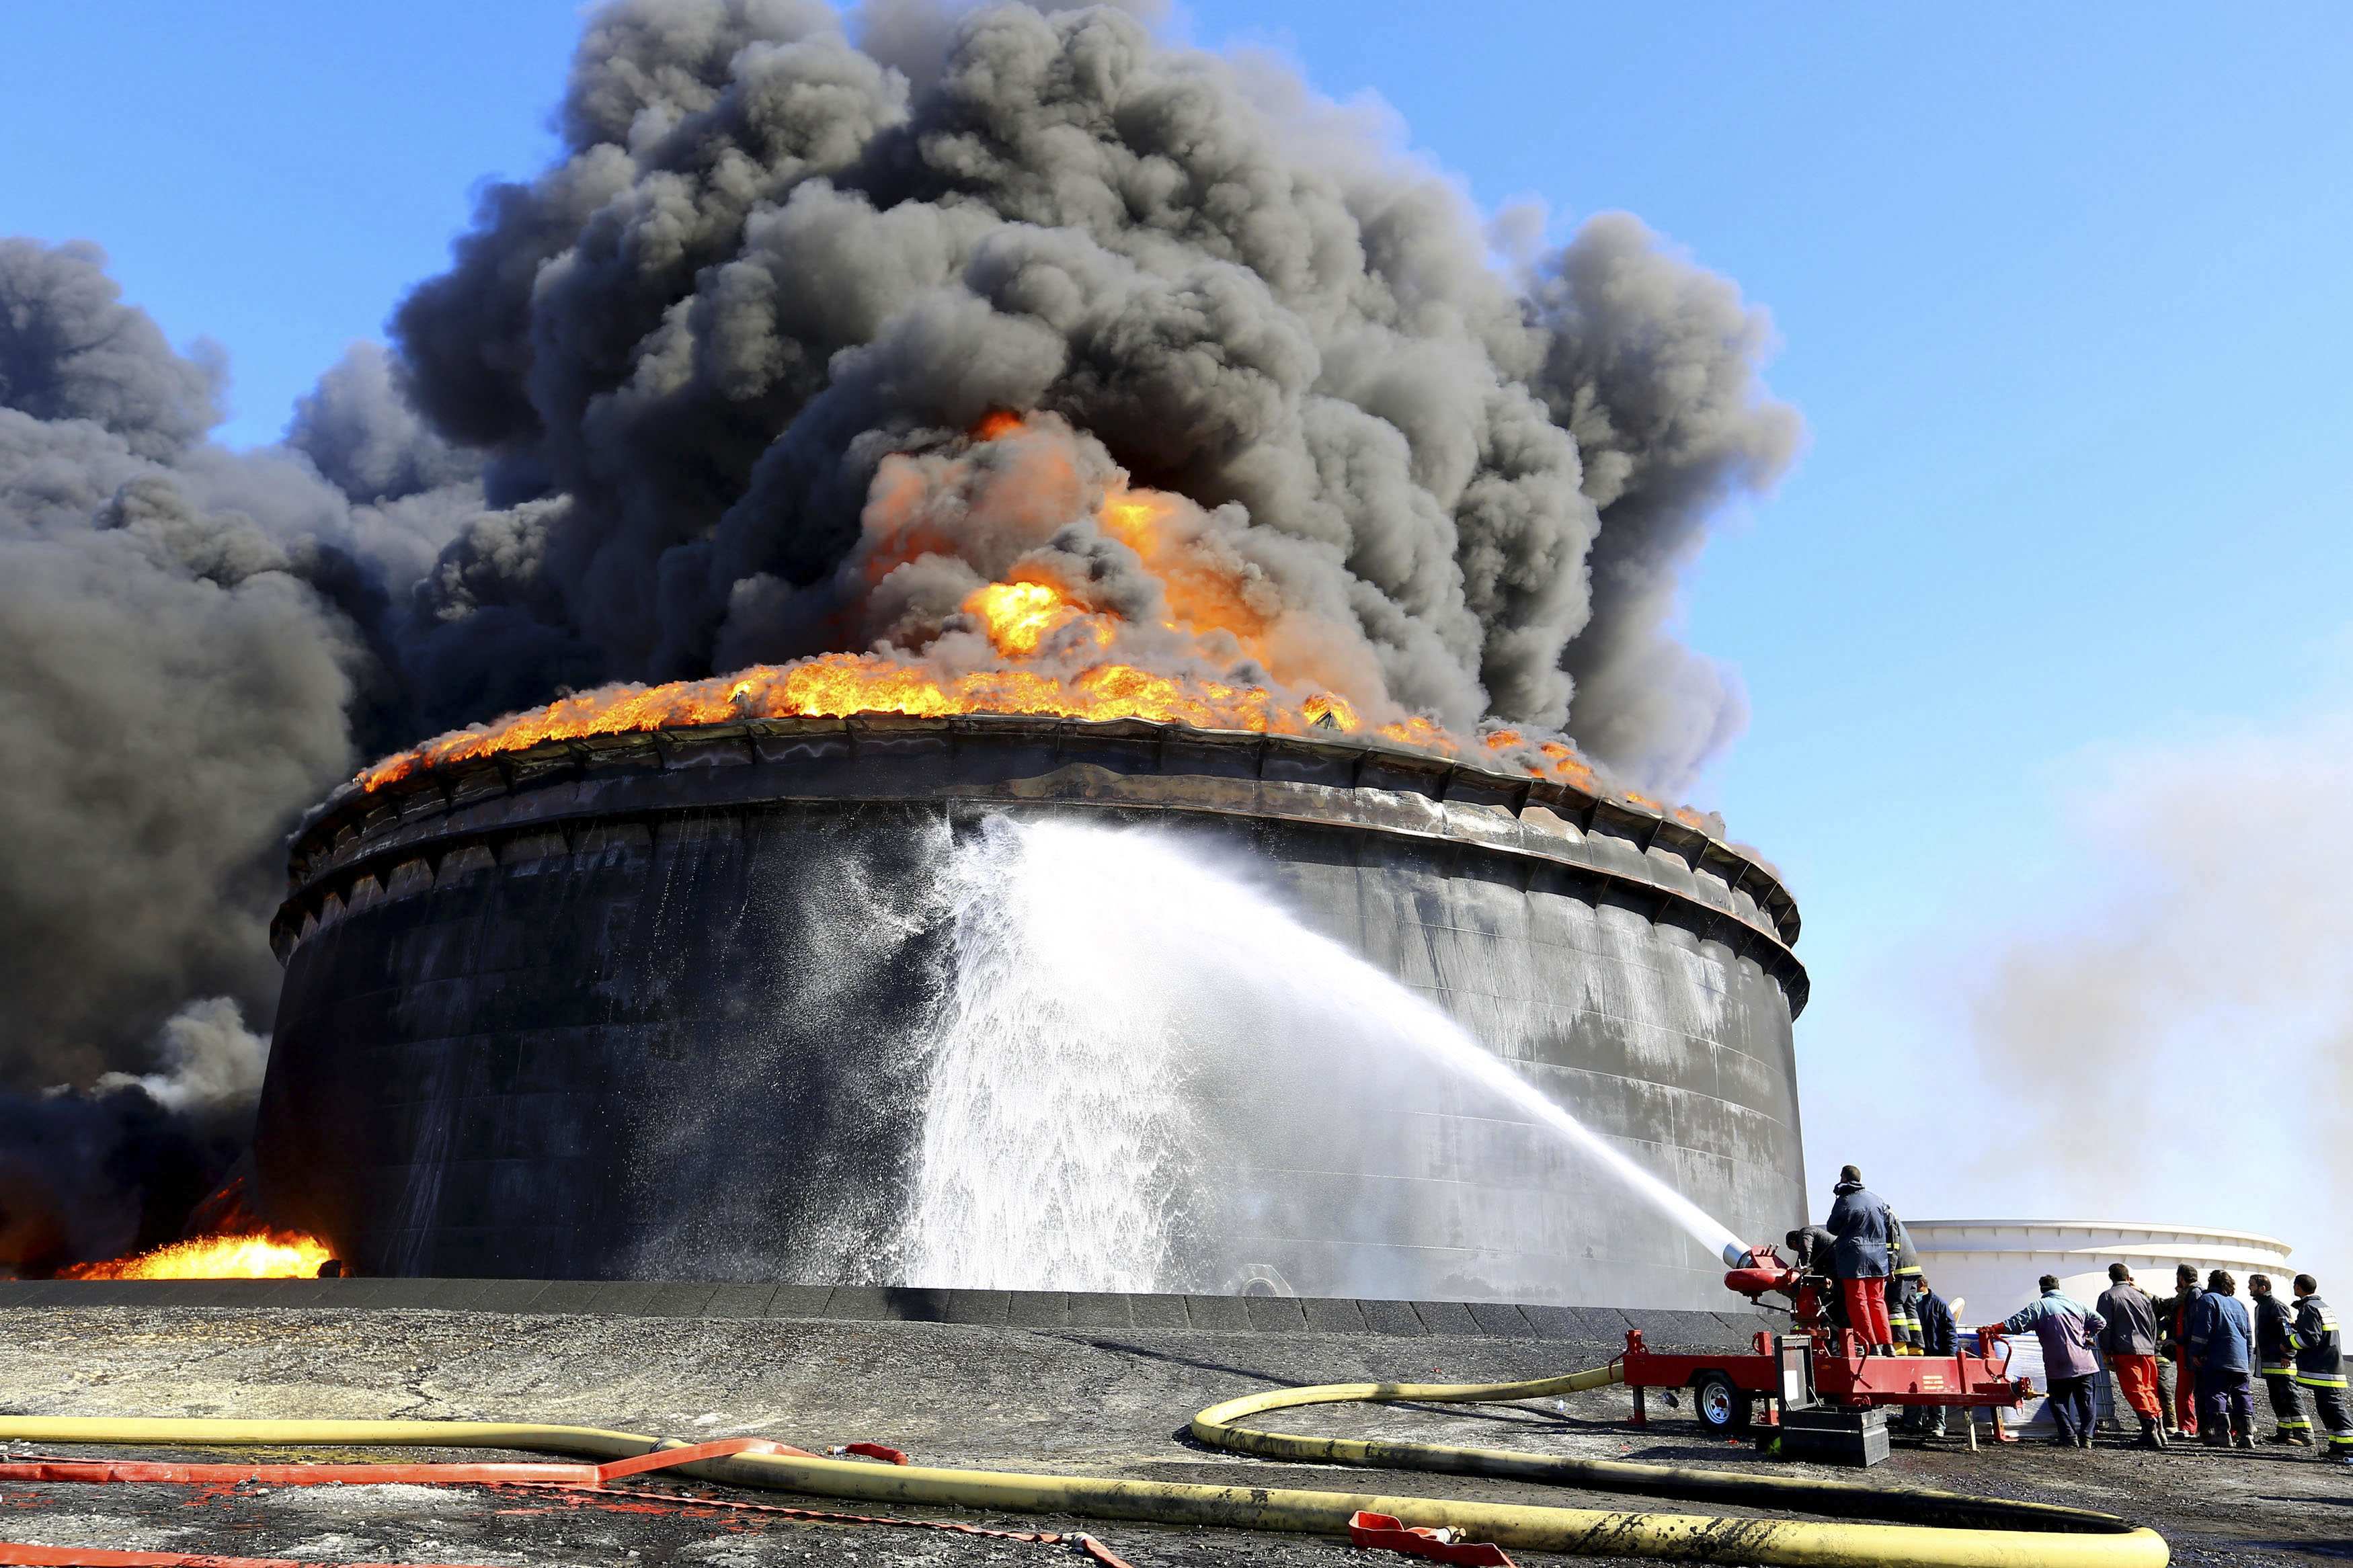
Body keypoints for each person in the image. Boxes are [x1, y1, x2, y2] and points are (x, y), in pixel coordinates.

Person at [2003, 1275, 2107, 1448]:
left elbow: (2015, 1324)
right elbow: (2101, 1321)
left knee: (2058, 1401)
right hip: (2085, 1363)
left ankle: (2069, 1437)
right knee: (2087, 1402)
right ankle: (2087, 1438)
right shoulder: (2077, 1305)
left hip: (2058, 1365)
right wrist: (2087, 1335)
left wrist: (1993, 1329)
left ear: (2042, 1289)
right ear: (2058, 1287)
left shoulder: (2039, 1306)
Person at [1825, 1165, 1895, 1353]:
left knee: (1858, 1301)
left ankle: (1871, 1345)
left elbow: (1832, 1227)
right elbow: (1890, 1226)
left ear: (1844, 1178)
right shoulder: (1877, 1200)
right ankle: (1888, 1345)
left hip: (1854, 1258)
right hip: (1878, 1259)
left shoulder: (1845, 1200)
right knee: (1877, 1301)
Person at [2097, 1263, 2167, 1449]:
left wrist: (2107, 1351)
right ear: (2128, 1277)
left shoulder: (2108, 1297)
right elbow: (2153, 1324)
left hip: (2125, 1350)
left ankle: (2150, 1431)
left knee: (2135, 1390)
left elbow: (2105, 1326)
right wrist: (2151, 1345)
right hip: (2147, 1350)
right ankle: (2160, 1428)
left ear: (2111, 1277)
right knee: (2149, 1388)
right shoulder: (2142, 1297)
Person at [2186, 1269, 2255, 1449]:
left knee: (2217, 1394)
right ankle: (2247, 1434)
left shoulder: (2207, 1301)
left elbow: (2203, 1331)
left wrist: (2195, 1352)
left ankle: (2223, 1435)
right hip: (2240, 1361)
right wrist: (2246, 1360)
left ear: (2211, 1283)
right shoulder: (2240, 1305)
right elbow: (2248, 1336)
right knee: (2242, 1395)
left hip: (2218, 1358)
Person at [2290, 1274, 2353, 1464]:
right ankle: (2337, 1446)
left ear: (2299, 1288)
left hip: (2323, 1368)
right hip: (2330, 1365)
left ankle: (2349, 1447)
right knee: (2327, 1407)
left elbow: (2310, 1339)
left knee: (2334, 1406)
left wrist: (2288, 1342)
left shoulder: (2309, 1308)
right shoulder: (2323, 1306)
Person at [2249, 1274, 2309, 1446]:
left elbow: (2288, 1329)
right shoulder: (2261, 1307)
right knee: (2277, 1398)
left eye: (2252, 1285)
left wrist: (2287, 1354)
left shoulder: (2276, 1306)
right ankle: (2284, 1432)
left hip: (2282, 1362)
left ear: (2263, 1288)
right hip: (2270, 1362)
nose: (2249, 1288)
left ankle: (2304, 1434)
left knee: (2290, 1397)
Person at [1901, 1274, 1959, 1439]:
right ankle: (1911, 1423)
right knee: (1911, 1390)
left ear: (1920, 1284)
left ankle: (1937, 1424)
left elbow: (1950, 1333)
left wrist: (1950, 1357)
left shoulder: (1938, 1305)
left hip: (1936, 1355)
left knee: (1936, 1390)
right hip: (1914, 1354)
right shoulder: (1910, 1303)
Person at [2158, 1263, 2204, 1441]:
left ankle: (2188, 1426)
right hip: (2187, 1348)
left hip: (2188, 1349)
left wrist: (2177, 1340)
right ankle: (2192, 1425)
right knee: (2190, 1390)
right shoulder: (2189, 1296)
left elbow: (2191, 1324)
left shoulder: (2192, 1295)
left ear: (2182, 1279)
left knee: (2185, 1390)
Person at [1886, 1215, 1925, 1355]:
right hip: (1912, 1268)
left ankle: (1900, 1344)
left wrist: (1891, 1268)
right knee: (1910, 1307)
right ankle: (1916, 1346)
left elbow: (1893, 1246)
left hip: (1900, 1269)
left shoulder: (1887, 1219)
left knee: (1895, 1303)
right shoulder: (1894, 1218)